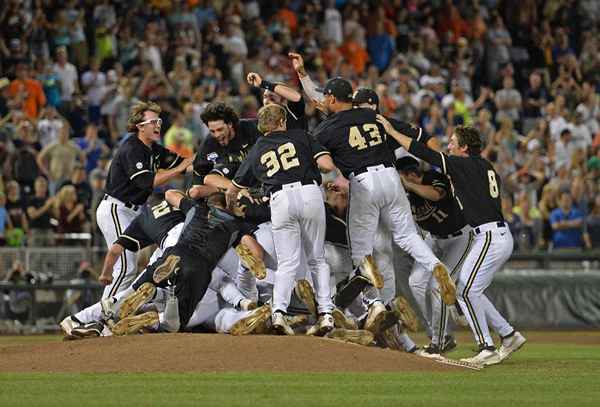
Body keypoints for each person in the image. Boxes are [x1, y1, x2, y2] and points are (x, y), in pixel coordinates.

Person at [377, 116, 526, 366]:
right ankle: (509, 334)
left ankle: (486, 347)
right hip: (490, 234)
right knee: (471, 290)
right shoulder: (485, 165)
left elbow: (424, 152)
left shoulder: (463, 165)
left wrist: (392, 131)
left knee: (466, 290)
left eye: (453, 143)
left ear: (464, 148)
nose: (449, 147)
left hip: (488, 235)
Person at [312, 77, 455, 331]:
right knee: (407, 236)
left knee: (361, 250)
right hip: (391, 176)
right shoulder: (372, 116)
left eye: (325, 98)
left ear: (332, 99)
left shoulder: (328, 127)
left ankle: (373, 303)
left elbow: (318, 159)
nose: (323, 101)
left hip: (363, 181)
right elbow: (417, 137)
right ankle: (435, 265)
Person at [225, 104, 337, 336]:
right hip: (309, 194)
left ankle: (278, 312)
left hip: (280, 199)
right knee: (317, 259)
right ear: (282, 121)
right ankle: (326, 313)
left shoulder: (257, 148)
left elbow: (234, 189)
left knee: (288, 263)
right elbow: (327, 165)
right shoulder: (300, 135)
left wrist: (231, 203)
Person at [97, 100, 193, 299]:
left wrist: (210, 157)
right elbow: (147, 182)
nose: (158, 125)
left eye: (158, 121)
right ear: (140, 127)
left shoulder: (153, 149)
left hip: (132, 210)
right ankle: (101, 318)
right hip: (116, 208)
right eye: (153, 122)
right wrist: (177, 169)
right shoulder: (132, 147)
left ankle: (113, 315)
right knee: (125, 267)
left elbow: (185, 163)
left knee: (132, 267)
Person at [396, 157, 472, 357]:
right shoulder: (406, 192)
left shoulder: (434, 177)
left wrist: (409, 185)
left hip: (459, 237)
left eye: (402, 176)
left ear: (412, 174)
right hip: (434, 239)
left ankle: (440, 341)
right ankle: (438, 333)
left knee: (437, 286)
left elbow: (437, 195)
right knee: (415, 282)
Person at [193, 102, 260, 189]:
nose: (216, 135)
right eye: (212, 131)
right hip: (233, 188)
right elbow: (199, 175)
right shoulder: (208, 144)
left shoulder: (253, 128)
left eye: (220, 129)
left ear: (230, 124)